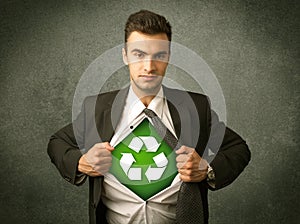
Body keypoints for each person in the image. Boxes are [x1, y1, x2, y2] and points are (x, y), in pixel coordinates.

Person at [47, 10, 250, 224]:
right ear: (125, 56)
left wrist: (206, 169)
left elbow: (238, 148)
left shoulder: (195, 108)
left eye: (159, 55)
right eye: (139, 54)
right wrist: (80, 162)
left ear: (169, 57)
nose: (149, 67)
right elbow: (57, 143)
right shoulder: (97, 108)